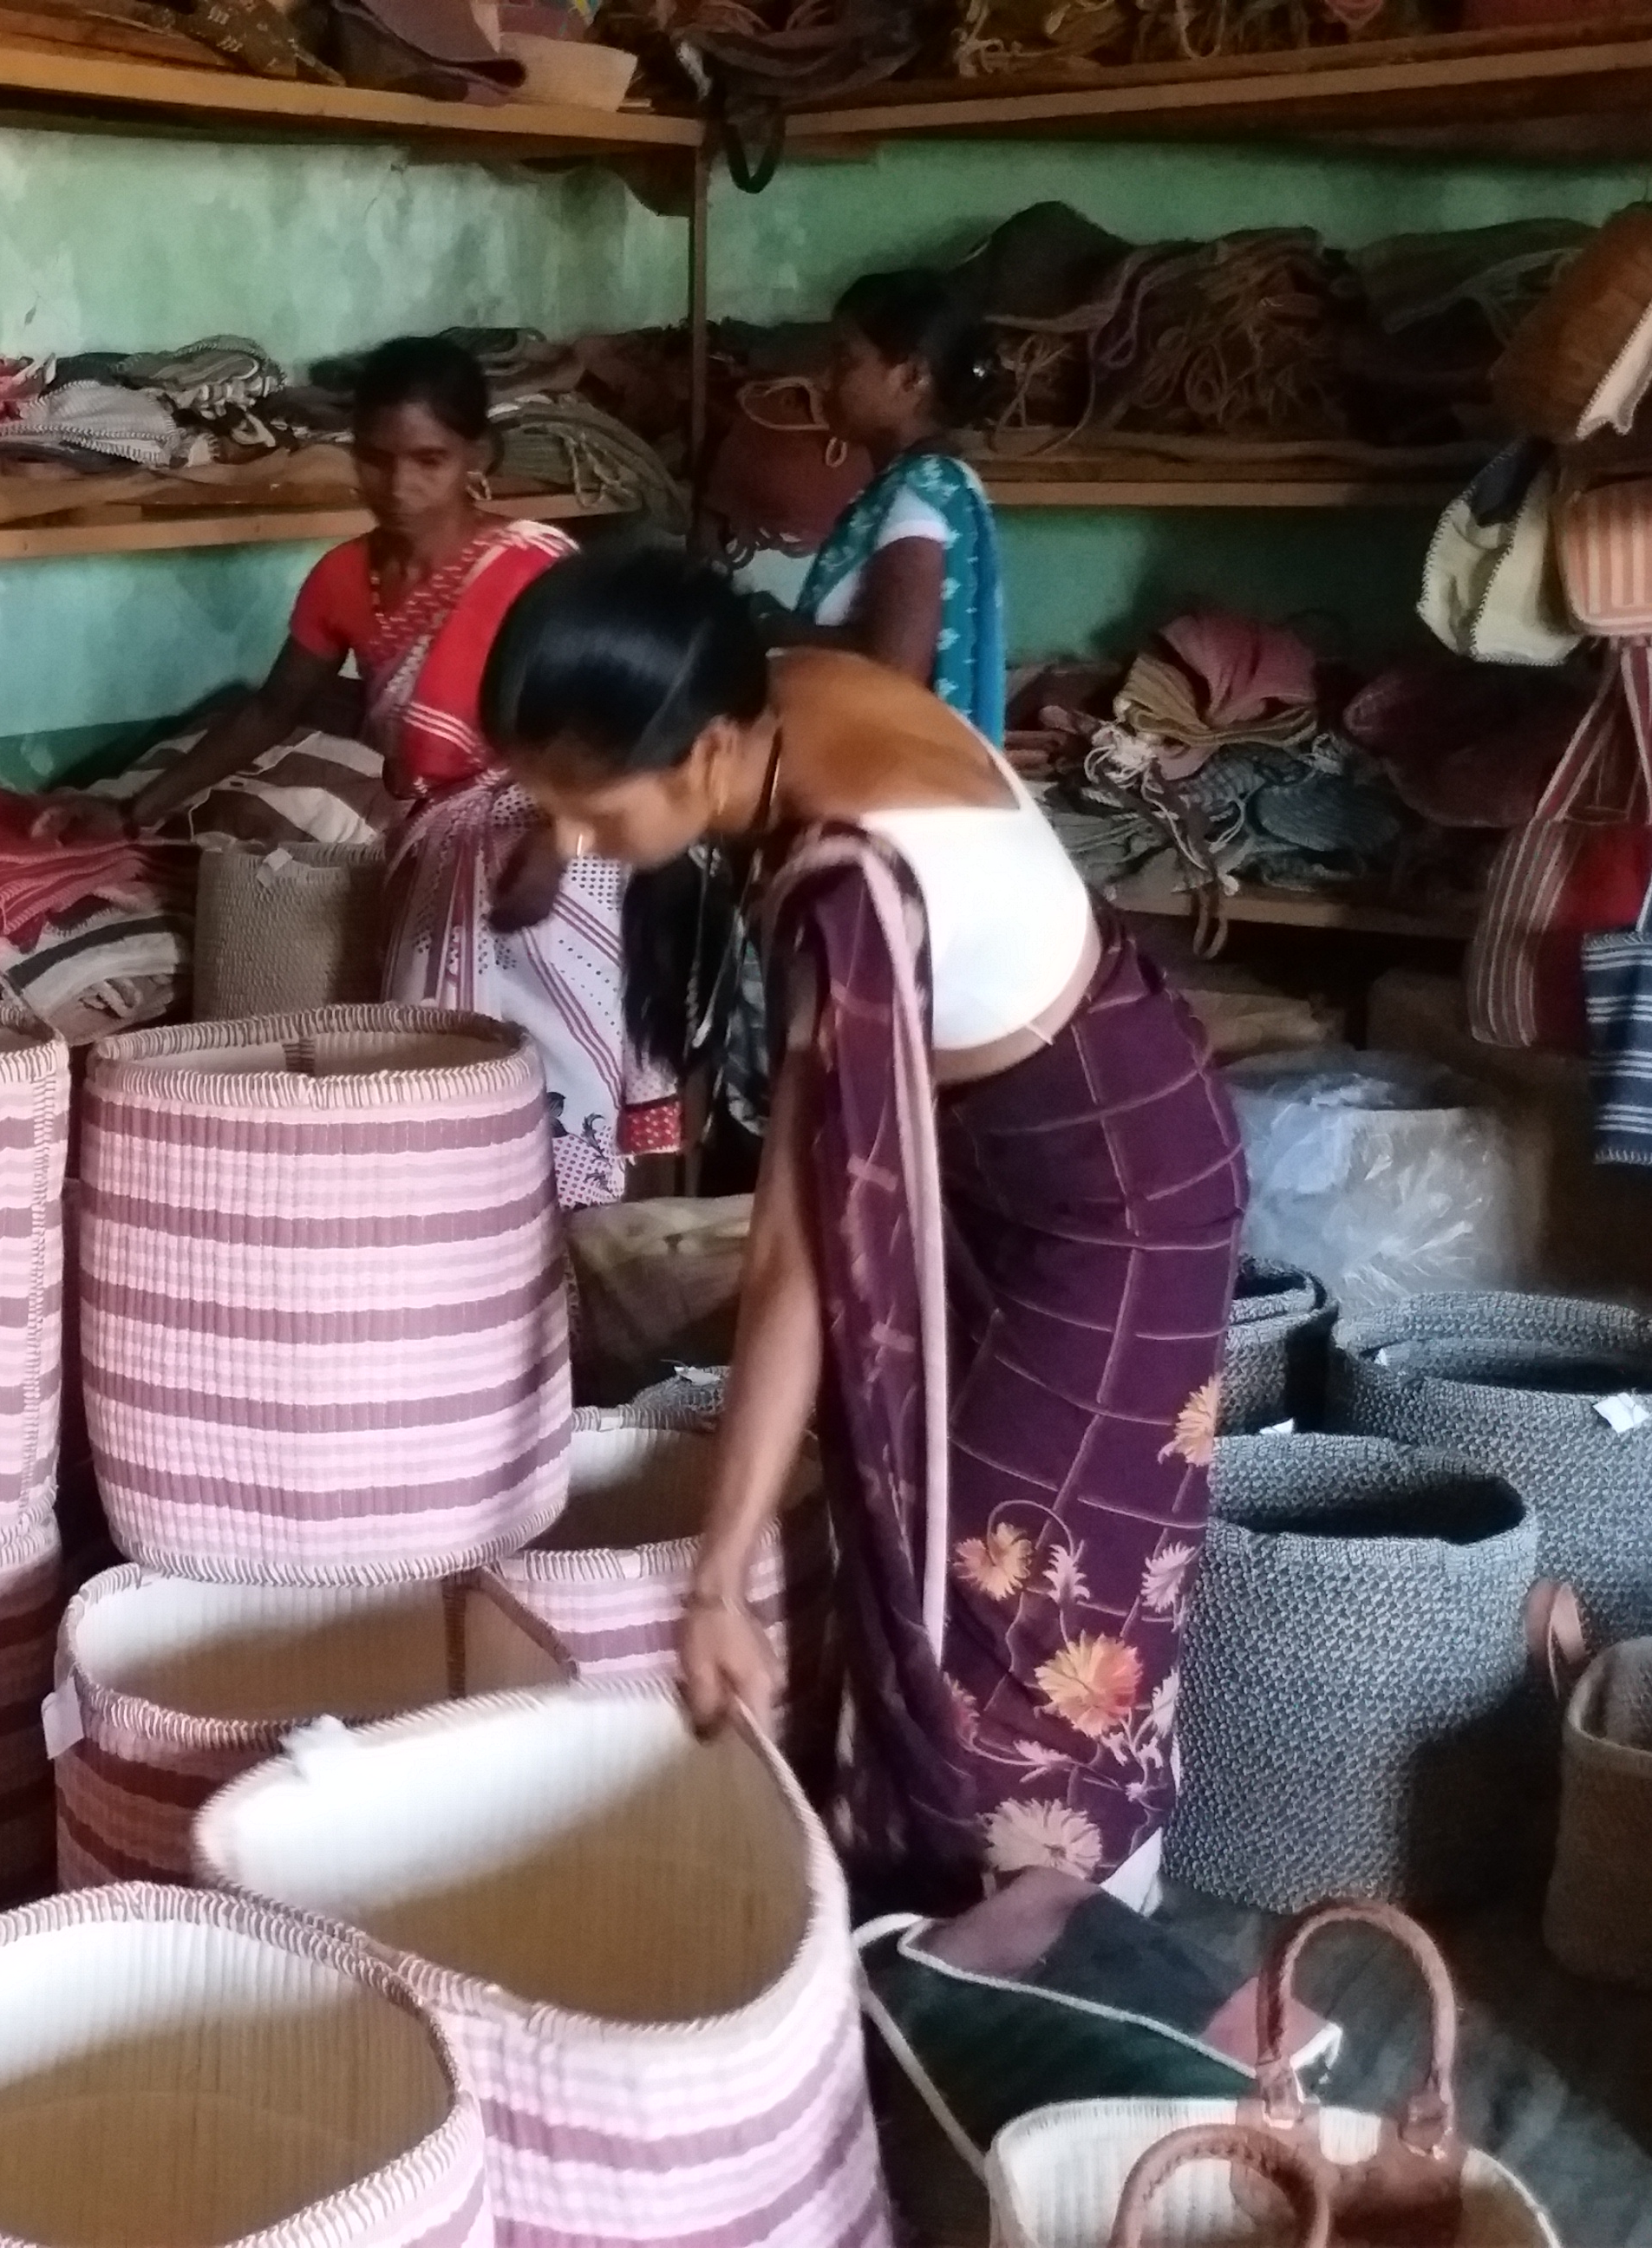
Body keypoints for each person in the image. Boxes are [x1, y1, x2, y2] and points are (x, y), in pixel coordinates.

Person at [481, 543, 1244, 1915]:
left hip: (1114, 1203)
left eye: (590, 811)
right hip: (1024, 1139)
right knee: (966, 1542)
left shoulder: (850, 890)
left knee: (1012, 1588)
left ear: (705, 748)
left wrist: (717, 1572)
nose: (572, 847)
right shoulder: (770, 684)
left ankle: (1054, 1943)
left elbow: (797, 1261)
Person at [117, 335, 657, 1202]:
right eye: (375, 458)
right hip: (436, 852)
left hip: (554, 851)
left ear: (476, 457)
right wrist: (134, 810)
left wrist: (559, 841)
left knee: (563, 1084)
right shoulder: (340, 580)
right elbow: (271, 710)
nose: (399, 484)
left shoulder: (532, 568)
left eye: (429, 459)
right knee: (433, 1083)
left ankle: (583, 1275)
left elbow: (604, 721)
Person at [788, 269, 1010, 742]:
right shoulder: (927, 485)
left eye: (845, 360)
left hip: (882, 783)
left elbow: (892, 673)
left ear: (911, 376)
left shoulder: (920, 491)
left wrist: (770, 629)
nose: (825, 378)